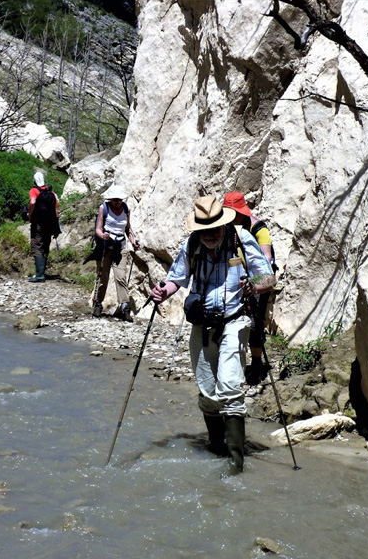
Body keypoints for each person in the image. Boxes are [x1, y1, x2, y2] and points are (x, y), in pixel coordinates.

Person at [150, 195, 275, 473]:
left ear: (223, 224)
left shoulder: (240, 239)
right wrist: (163, 291)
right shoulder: (192, 244)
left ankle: (235, 465)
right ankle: (216, 449)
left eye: (213, 229)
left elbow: (268, 277)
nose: (209, 235)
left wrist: (253, 285)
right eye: (204, 230)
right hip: (202, 325)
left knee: (229, 386)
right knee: (207, 393)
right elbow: (177, 278)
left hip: (235, 320)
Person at [223, 191, 276, 384]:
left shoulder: (258, 229)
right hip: (237, 283)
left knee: (255, 323)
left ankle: (256, 363)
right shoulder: (226, 228)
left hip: (257, 284)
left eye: (232, 213)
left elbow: (266, 261)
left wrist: (254, 285)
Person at [90, 184, 140, 320]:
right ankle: (98, 304)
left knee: (120, 277)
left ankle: (125, 307)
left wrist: (133, 242)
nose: (118, 202)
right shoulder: (103, 208)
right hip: (105, 247)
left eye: (120, 199)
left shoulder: (125, 209)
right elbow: (98, 229)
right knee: (102, 277)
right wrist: (103, 236)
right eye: (115, 199)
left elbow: (128, 229)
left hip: (120, 247)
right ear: (110, 199)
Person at [28, 171, 59, 283]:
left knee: (37, 245)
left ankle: (40, 275)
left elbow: (32, 202)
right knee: (45, 245)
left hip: (38, 223)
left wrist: (30, 215)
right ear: (44, 181)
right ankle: (42, 273)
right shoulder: (52, 193)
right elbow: (56, 211)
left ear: (34, 181)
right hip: (50, 224)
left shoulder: (34, 190)